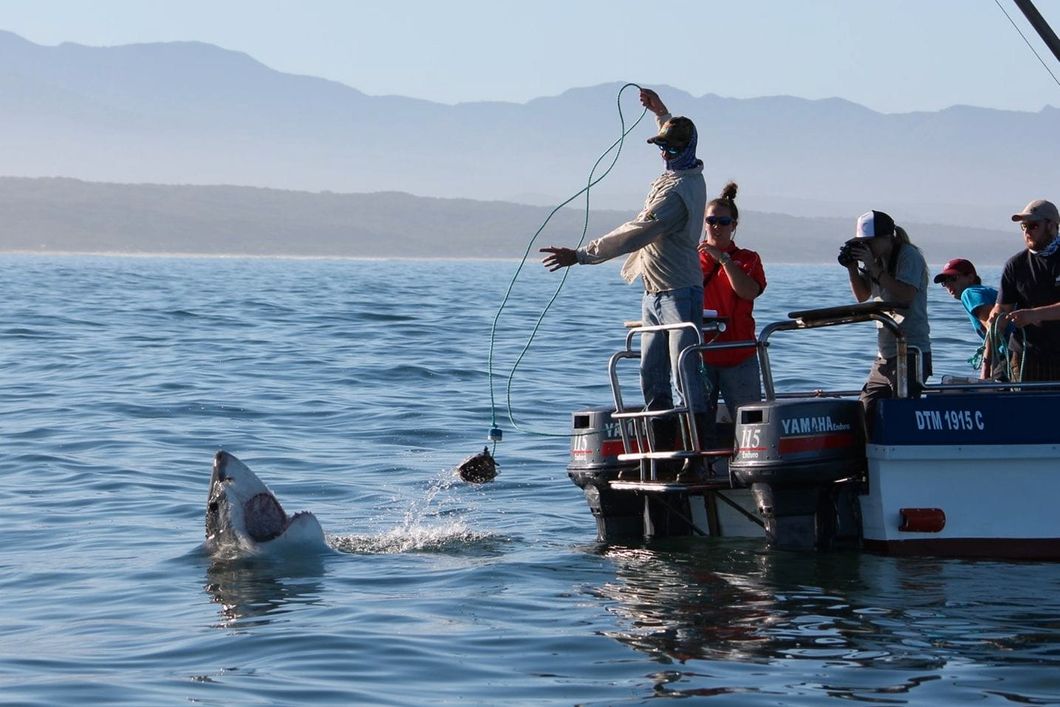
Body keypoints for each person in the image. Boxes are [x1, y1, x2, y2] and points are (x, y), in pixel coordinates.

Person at [541, 88, 708, 476]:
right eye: (662, 147)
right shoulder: (680, 174)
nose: (665, 153)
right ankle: (665, 453)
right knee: (651, 373)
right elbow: (672, 129)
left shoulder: (679, 193)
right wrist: (660, 112)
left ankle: (694, 457)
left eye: (671, 147)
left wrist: (582, 255)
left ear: (688, 148)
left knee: (685, 374)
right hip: (654, 291)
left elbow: (635, 234)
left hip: (679, 292)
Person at [841, 210, 932, 408]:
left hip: (910, 350)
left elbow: (906, 295)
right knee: (866, 407)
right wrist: (852, 268)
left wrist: (874, 268)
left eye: (869, 242)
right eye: (861, 243)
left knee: (902, 409)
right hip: (885, 353)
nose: (866, 247)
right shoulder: (876, 260)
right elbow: (862, 296)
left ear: (887, 238)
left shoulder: (909, 256)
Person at [697, 182, 766, 425]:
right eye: (711, 221)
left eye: (724, 222)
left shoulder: (748, 259)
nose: (716, 227)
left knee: (748, 422)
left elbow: (748, 292)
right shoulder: (690, 259)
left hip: (739, 356)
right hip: (701, 356)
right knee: (697, 423)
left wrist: (724, 260)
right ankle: (700, 463)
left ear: (734, 226)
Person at [988, 199, 1060, 381]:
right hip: (1025, 353)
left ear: (1052, 226)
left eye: (1033, 225)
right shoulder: (1015, 264)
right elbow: (1002, 309)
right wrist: (996, 319)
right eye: (1023, 226)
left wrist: (1034, 315)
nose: (1027, 231)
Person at [933, 258, 1007, 380]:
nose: (948, 285)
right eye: (944, 282)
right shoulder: (985, 291)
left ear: (970, 277)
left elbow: (994, 330)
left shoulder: (969, 293)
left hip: (1011, 351)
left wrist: (985, 371)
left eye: (953, 279)